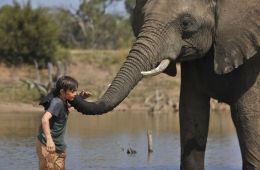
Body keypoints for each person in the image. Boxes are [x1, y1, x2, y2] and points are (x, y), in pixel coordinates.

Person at [36, 75, 91, 170]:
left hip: (59, 145)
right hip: (47, 144)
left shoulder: (64, 101)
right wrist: (49, 140)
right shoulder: (56, 102)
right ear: (62, 92)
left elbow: (67, 110)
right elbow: (45, 119)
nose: (75, 94)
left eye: (75, 91)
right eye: (72, 91)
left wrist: (81, 98)